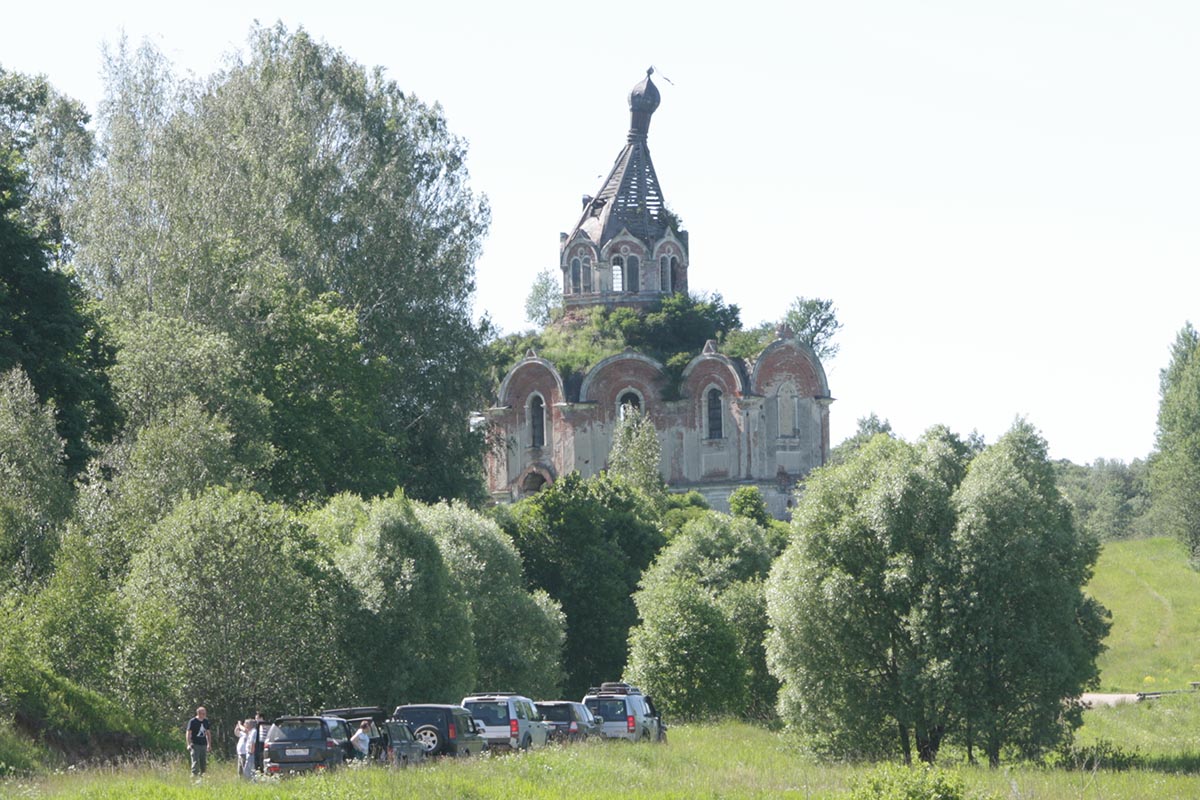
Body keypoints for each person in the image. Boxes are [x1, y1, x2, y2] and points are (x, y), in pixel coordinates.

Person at [185, 706, 212, 776]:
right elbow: (188, 733)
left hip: (203, 744)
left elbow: (208, 733)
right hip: (195, 744)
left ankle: (203, 776)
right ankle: (194, 776)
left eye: (205, 713)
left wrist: (209, 744)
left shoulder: (206, 721)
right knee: (195, 762)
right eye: (203, 713)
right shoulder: (192, 721)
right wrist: (188, 744)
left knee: (203, 762)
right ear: (199, 713)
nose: (204, 715)